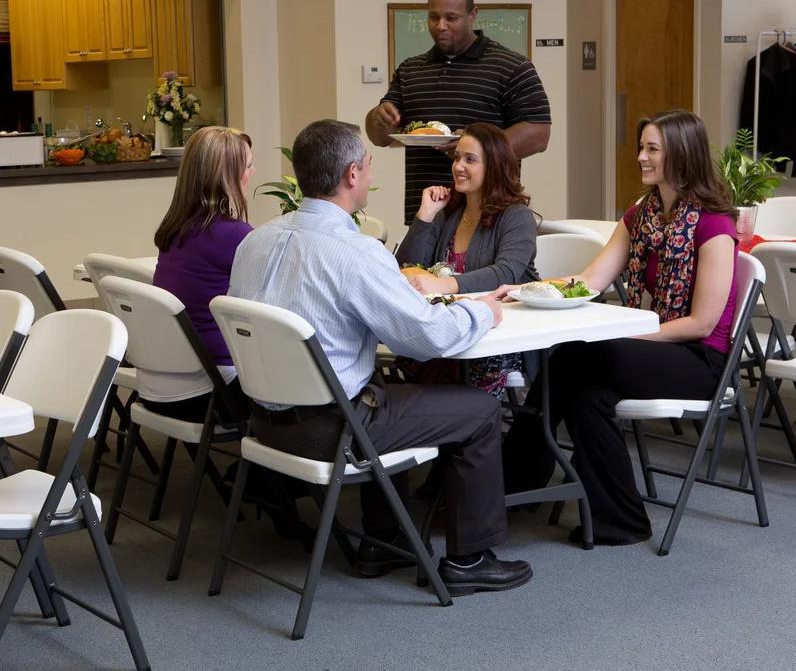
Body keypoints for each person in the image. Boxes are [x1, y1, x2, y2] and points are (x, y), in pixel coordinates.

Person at [228, 119, 533, 595]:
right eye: (368, 165)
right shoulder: (355, 252)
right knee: (478, 409)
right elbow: (424, 338)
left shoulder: (254, 241)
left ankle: (384, 539)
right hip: (331, 431)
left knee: (374, 389)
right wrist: (482, 314)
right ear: (352, 174)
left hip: (264, 426)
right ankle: (470, 559)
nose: (370, 174)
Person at [500, 110, 739, 545]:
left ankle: (513, 480)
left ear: (681, 156)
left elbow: (701, 323)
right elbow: (589, 281)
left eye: (652, 149)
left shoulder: (714, 225)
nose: (641, 157)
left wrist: (624, 334)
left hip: (702, 360)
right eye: (641, 147)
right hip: (656, 346)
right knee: (587, 395)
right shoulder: (641, 215)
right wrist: (523, 288)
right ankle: (622, 521)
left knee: (574, 355)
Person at [365, 0, 551, 225]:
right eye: (433, 17)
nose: (440, 26)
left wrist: (475, 148)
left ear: (472, 15)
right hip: (426, 212)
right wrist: (378, 118)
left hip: (489, 212)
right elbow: (380, 137)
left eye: (451, 18)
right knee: (420, 266)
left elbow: (539, 133)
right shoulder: (411, 69)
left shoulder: (512, 66)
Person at [395, 121, 538, 396]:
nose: (458, 166)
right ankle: (441, 427)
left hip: (502, 334)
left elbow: (506, 272)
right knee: (411, 351)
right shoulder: (448, 212)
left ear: (494, 166)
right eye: (457, 157)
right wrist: (424, 216)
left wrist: (444, 285)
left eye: (470, 159)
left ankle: (465, 426)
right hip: (454, 327)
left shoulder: (516, 216)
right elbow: (406, 268)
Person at [138, 126, 255, 423]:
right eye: (249, 166)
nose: (251, 173)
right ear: (230, 175)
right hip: (210, 392)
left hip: (158, 385)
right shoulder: (234, 235)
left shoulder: (176, 230)